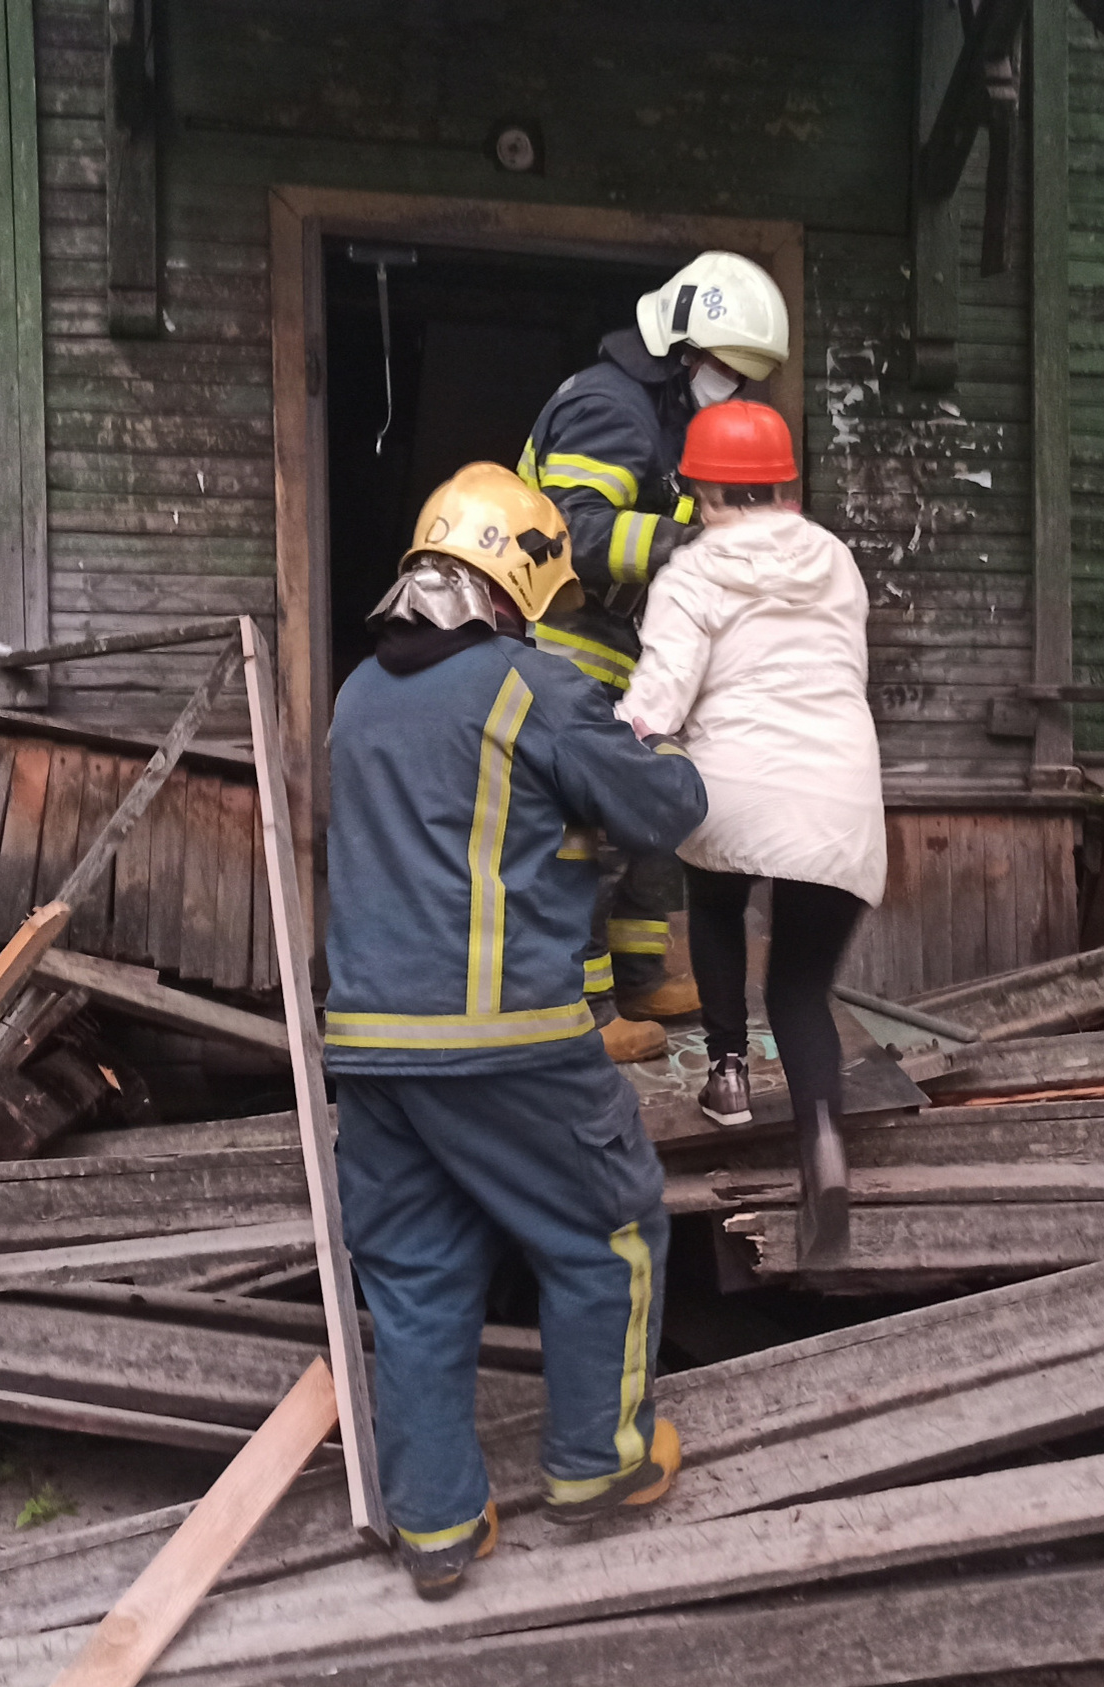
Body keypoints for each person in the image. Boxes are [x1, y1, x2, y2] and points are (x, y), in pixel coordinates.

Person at [323, 463, 710, 1600]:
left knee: (415, 1272)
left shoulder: (356, 695)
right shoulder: (528, 685)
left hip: (373, 1051)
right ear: (526, 578)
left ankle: (438, 1525)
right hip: (510, 1042)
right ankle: (601, 1464)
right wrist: (669, 748)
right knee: (612, 1232)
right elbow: (660, 811)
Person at [617, 400, 884, 1265]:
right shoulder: (837, 560)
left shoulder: (691, 574)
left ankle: (727, 1075)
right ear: (784, 483)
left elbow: (658, 701)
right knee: (802, 990)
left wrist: (606, 740)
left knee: (715, 896)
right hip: (842, 794)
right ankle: (822, 1145)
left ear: (698, 488)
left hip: (731, 784)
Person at [518, 249, 792, 1062]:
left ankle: (637, 973)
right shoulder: (608, 409)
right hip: (563, 656)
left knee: (647, 820)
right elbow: (573, 534)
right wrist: (696, 543)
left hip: (623, 658)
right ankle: (588, 1009)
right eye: (727, 371)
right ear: (681, 348)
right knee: (584, 833)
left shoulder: (667, 416)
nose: (734, 389)